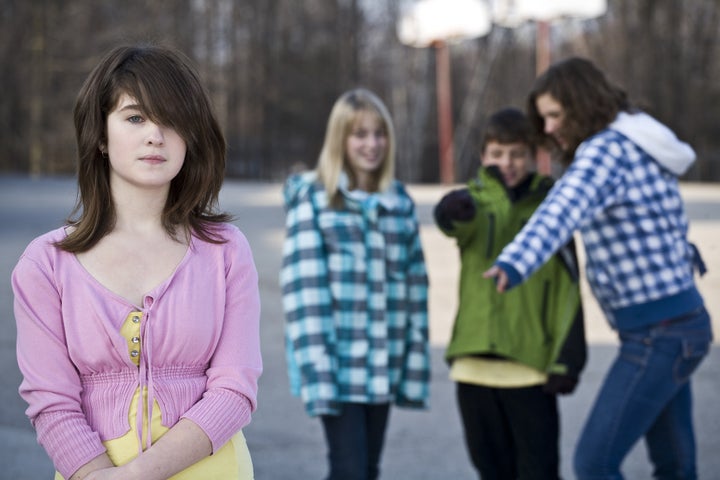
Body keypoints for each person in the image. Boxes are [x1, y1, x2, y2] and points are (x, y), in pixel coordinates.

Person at [12, 45, 262, 480]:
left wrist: (136, 476)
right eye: (135, 117)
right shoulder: (45, 265)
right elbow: (52, 400)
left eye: (172, 120)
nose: (155, 135)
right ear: (101, 137)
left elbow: (234, 390)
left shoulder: (226, 250)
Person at [484, 57, 713, 479]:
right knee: (675, 464)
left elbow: (561, 210)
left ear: (581, 104)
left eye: (555, 115)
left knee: (594, 463)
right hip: (680, 324)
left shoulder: (605, 150)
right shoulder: (636, 141)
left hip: (658, 334)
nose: (548, 128)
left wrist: (514, 262)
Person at [280, 88, 431, 480]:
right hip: (338, 366)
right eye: (360, 134)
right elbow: (304, 294)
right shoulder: (315, 199)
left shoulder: (398, 201)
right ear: (340, 139)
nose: (372, 144)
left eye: (379, 133)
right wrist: (319, 373)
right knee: (349, 470)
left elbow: (416, 287)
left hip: (384, 364)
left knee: (368, 468)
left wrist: (412, 363)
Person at [434, 107, 586, 480]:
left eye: (518, 153)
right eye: (498, 154)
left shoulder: (553, 209)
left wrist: (568, 358)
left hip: (530, 371)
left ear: (535, 155)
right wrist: (448, 210)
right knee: (491, 472)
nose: (508, 163)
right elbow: (452, 223)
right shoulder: (474, 202)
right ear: (484, 156)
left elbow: (569, 288)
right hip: (473, 370)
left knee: (539, 471)